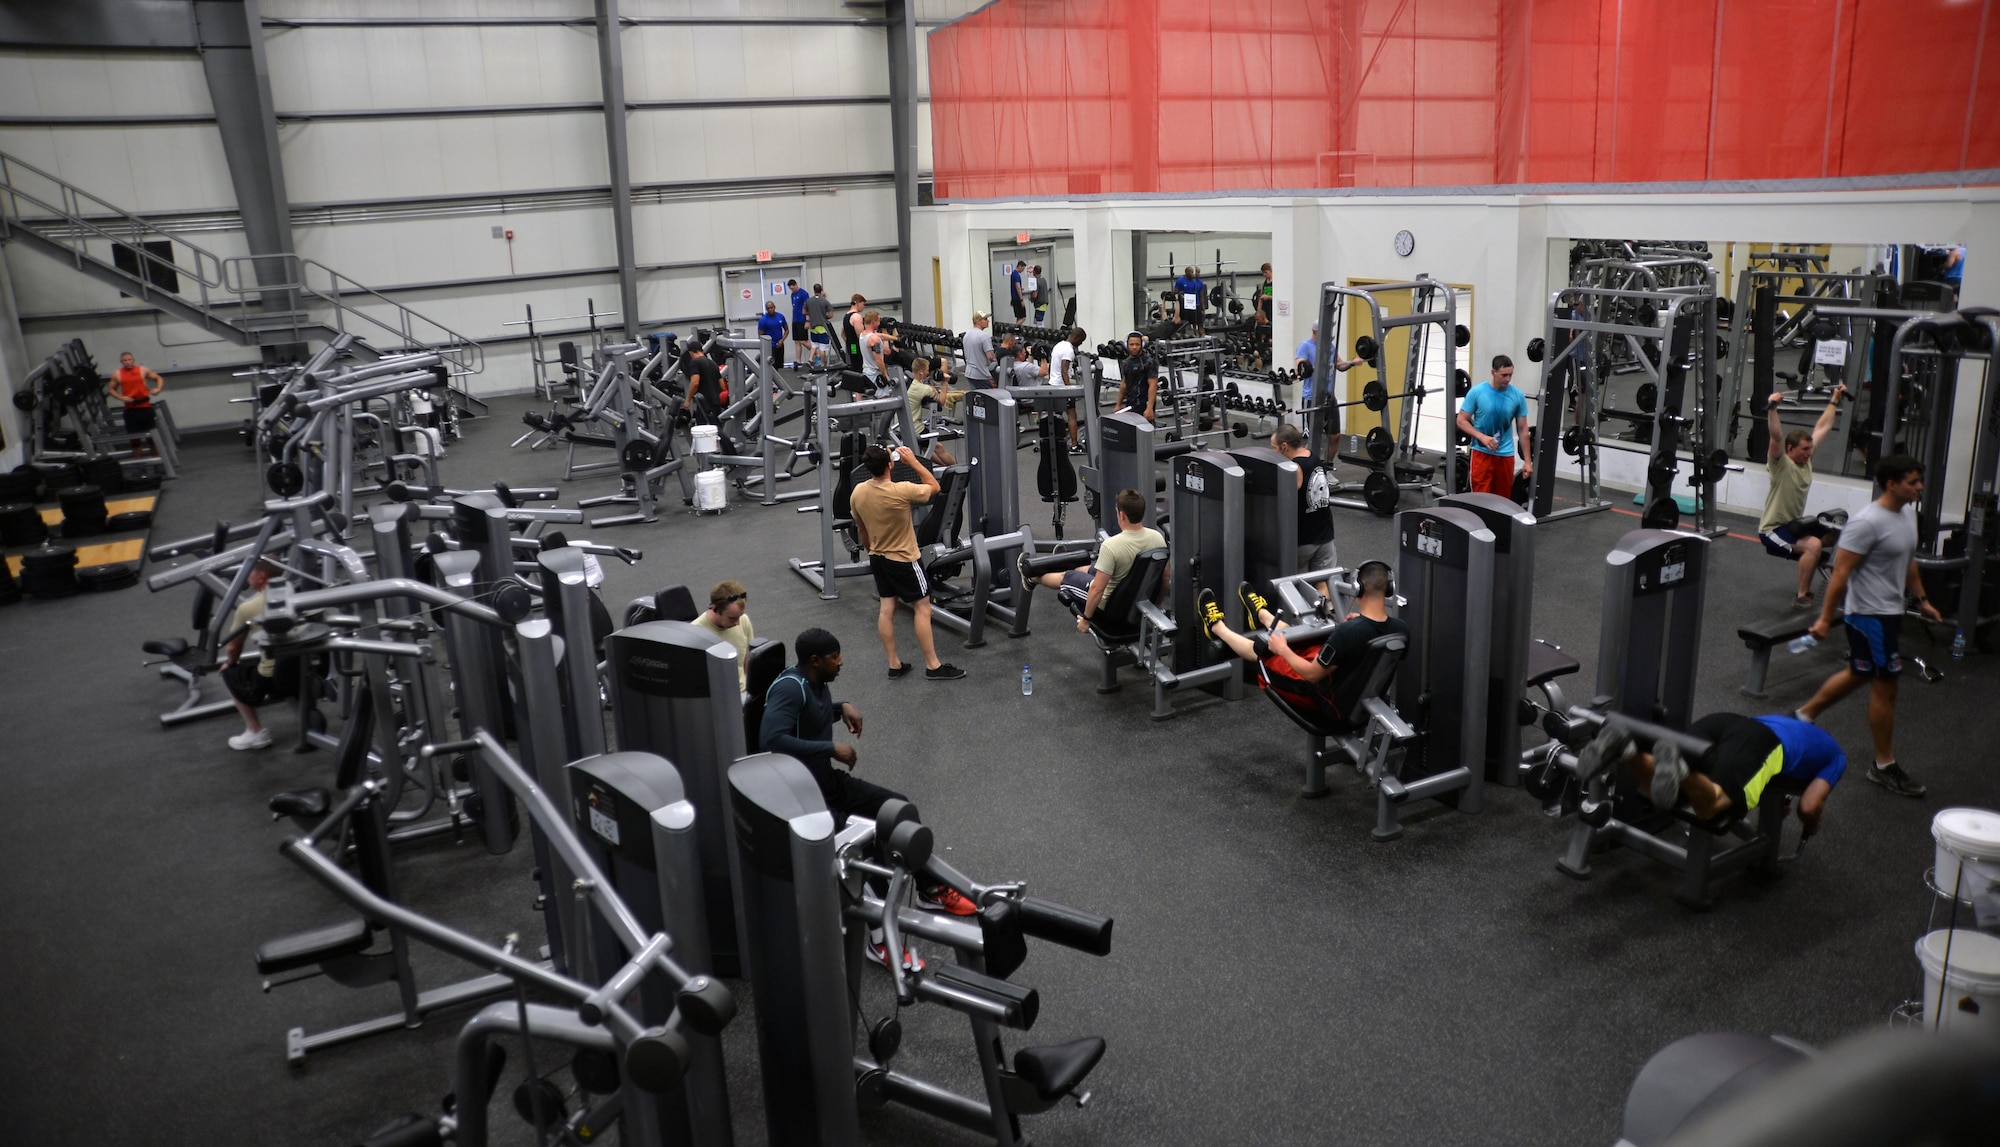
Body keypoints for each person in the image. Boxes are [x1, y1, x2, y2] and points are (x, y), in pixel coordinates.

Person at [1799, 454, 1942, 798]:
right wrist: (1823, 619)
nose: (1919, 487)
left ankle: (1803, 715)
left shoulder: (1908, 515)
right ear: (1891, 484)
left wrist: (1921, 599)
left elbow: (1907, 561)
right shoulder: (1866, 522)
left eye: (1919, 480)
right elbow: (1840, 573)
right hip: (1868, 617)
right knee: (1886, 686)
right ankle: (1884, 765)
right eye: (1912, 481)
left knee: (1859, 673)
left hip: (1891, 612)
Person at [1195, 561, 1409, 723]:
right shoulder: (1401, 630)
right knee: (1303, 639)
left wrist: (1283, 650)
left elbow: (1313, 675)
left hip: (1326, 702)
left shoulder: (1348, 632)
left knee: (1265, 649)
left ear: (1358, 589)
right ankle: (1262, 615)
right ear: (1389, 589)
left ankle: (1216, 627)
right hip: (1355, 696)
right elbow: (1389, 665)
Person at [1576, 713, 1847, 838]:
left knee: (1667, 794)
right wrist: (1812, 826)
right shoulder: (1836, 756)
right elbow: (1810, 805)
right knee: (1711, 806)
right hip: (1763, 743)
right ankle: (1683, 770)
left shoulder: (1788, 722)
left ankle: (1626, 749)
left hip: (1728, 722)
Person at [848, 444, 966, 680]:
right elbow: (935, 487)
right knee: (922, 609)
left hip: (878, 558)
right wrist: (912, 461)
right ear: (890, 464)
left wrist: (872, 549)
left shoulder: (858, 492)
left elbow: (861, 528)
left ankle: (894, 664)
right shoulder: (901, 490)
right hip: (904, 560)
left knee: (887, 609)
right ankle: (933, 666)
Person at [1024, 488, 1167, 632]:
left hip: (1109, 606)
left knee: (1067, 576)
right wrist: (1157, 603)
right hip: (1133, 595)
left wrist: (1086, 619)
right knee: (1090, 569)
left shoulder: (1112, 545)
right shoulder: (1157, 538)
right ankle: (1057, 565)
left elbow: (1097, 589)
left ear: (1122, 515)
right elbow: (1165, 577)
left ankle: (1033, 578)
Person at [1759, 385, 1848, 607]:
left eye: (1810, 449)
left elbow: (1823, 426)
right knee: (1813, 546)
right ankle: (1801, 595)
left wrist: (1834, 400)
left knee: (1840, 534)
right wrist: (1773, 409)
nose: (1810, 453)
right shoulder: (1781, 463)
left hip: (1794, 524)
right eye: (1805, 450)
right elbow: (1776, 436)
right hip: (1773, 530)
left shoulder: (1805, 459)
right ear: (1790, 449)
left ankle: (1837, 582)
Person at [218, 560, 300, 751]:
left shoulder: (248, 608)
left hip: (273, 677)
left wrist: (231, 663)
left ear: (261, 577)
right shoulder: (292, 589)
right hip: (306, 665)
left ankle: (255, 732)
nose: (247, 577)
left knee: (230, 673)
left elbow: (233, 648)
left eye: (250, 573)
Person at [1455, 354, 1533, 498]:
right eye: (1504, 375)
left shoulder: (1517, 395)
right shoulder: (1477, 392)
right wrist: (1482, 437)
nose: (1508, 379)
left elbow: (1522, 429)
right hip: (1481, 453)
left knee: (1502, 501)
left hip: (1505, 455)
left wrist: (1527, 461)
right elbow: (1461, 420)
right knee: (1480, 499)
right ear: (1493, 372)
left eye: (1510, 375)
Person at [1270, 424, 1338, 579]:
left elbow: (1283, 502)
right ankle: (1329, 604)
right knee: (1324, 584)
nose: (1273, 452)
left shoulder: (1294, 468)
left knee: (1300, 590)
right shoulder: (1313, 457)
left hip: (1305, 542)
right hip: (1325, 536)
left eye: (1274, 448)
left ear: (1284, 447)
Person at [691, 579, 755, 694]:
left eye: (740, 616)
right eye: (732, 618)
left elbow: (747, 660)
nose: (738, 623)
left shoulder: (743, 620)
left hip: (744, 694)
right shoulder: (695, 633)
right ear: (714, 608)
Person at [107, 351, 165, 458]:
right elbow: (111, 390)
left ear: (133, 360)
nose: (128, 362)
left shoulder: (142, 370)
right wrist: (121, 397)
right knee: (135, 441)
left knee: (152, 438)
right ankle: (140, 467)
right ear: (121, 362)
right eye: (125, 360)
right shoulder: (117, 374)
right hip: (131, 410)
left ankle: (158, 464)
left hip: (145, 408)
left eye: (130, 360)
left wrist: (158, 388)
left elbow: (159, 378)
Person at [904, 357, 958, 467]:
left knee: (926, 447)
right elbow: (942, 402)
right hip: (915, 428)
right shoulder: (924, 389)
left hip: (902, 425)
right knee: (937, 446)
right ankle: (959, 471)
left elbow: (920, 389)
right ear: (921, 372)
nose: (929, 372)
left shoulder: (909, 382)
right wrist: (945, 382)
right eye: (927, 370)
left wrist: (928, 387)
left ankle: (945, 466)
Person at [1292, 324, 1357, 407]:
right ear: (1315, 332)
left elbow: (1340, 366)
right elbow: (1299, 369)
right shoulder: (1305, 346)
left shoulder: (1330, 346)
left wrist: (1352, 362)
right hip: (1312, 397)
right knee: (1311, 420)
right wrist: (1316, 368)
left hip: (1329, 397)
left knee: (1334, 420)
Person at [1049, 326, 1086, 452]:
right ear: (1076, 337)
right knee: (1072, 415)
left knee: (1056, 415)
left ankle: (1053, 445)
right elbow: (1064, 371)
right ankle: (1074, 446)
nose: (1080, 344)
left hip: (1053, 384)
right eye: (1081, 341)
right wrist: (1070, 391)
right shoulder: (1068, 350)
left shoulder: (1058, 345)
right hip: (1062, 387)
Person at [1117, 331, 1160, 423]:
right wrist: (1118, 404)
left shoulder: (1148, 362)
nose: (1134, 347)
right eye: (1131, 344)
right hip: (1130, 404)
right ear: (1127, 345)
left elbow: (1153, 386)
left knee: (1144, 434)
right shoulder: (1126, 362)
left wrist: (1149, 408)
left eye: (1137, 344)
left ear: (1142, 345)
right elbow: (1124, 384)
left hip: (1143, 404)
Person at [682, 340, 725, 423]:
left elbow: (695, 383)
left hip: (704, 403)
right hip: (716, 403)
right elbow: (722, 386)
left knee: (703, 431)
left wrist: (688, 400)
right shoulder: (713, 364)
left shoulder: (695, 362)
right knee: (715, 430)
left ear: (691, 352)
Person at [961, 311, 996, 387]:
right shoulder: (984, 336)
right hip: (982, 375)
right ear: (978, 321)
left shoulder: (967, 335)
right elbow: (991, 357)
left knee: (975, 397)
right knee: (988, 397)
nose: (988, 321)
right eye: (985, 319)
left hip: (969, 373)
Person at [804, 283, 834, 368]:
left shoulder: (808, 301)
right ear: (821, 291)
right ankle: (822, 364)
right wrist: (825, 316)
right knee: (822, 347)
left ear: (813, 290)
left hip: (813, 327)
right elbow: (831, 314)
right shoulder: (824, 301)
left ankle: (810, 359)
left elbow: (804, 312)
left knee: (814, 345)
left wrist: (812, 313)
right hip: (822, 327)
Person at [1173, 265, 1206, 332]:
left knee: (1200, 324)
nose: (1196, 274)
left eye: (1198, 272)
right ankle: (1183, 338)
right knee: (1184, 324)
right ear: (1187, 272)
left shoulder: (1199, 283)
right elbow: (1175, 293)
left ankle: (1202, 339)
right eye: (1193, 272)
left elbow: (1201, 296)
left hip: (1196, 305)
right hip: (1185, 307)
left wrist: (1203, 309)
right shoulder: (1180, 281)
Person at [757, 301, 787, 372]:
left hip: (780, 344)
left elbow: (787, 330)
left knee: (780, 365)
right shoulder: (763, 320)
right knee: (772, 366)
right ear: (766, 310)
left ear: (774, 307)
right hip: (770, 346)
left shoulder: (780, 316)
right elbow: (761, 335)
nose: (770, 309)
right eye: (768, 308)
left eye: (771, 307)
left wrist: (782, 340)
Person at [788, 278, 811, 368]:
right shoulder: (792, 295)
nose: (792, 290)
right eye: (790, 288)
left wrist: (807, 321)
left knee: (803, 341)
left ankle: (816, 354)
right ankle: (798, 361)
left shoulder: (803, 294)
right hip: (795, 320)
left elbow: (807, 308)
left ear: (796, 285)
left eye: (793, 288)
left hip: (802, 320)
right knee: (797, 341)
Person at [841, 294, 867, 366]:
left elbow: (842, 334)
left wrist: (849, 342)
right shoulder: (857, 316)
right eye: (863, 304)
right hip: (858, 348)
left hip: (852, 346)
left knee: (854, 364)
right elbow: (861, 336)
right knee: (859, 366)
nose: (864, 307)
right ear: (858, 302)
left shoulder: (846, 316)